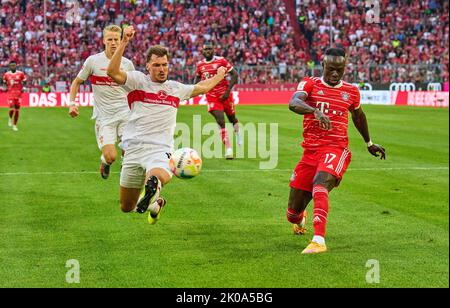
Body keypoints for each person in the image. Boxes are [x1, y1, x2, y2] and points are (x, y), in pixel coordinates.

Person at [107, 26, 227, 224]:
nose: (161, 69)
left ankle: (154, 186)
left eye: (164, 65)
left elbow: (202, 87)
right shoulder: (137, 81)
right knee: (126, 207)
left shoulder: (175, 88)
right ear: (147, 66)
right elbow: (112, 71)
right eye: (156, 65)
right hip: (133, 148)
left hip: (160, 148)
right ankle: (154, 204)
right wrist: (124, 42)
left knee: (157, 174)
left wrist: (220, 75)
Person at [287, 48, 386, 254]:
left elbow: (359, 116)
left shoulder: (351, 91)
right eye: (331, 69)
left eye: (339, 70)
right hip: (310, 153)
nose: (334, 73)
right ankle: (300, 217)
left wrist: (369, 143)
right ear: (323, 66)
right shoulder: (310, 83)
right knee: (292, 213)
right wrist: (314, 110)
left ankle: (319, 240)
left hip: (336, 149)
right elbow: (294, 103)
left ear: (344, 68)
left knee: (320, 183)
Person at [68, 25, 135, 179]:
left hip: (126, 114)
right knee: (111, 156)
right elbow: (77, 82)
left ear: (121, 41)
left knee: (130, 150)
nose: (113, 43)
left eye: (116, 39)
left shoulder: (127, 64)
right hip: (105, 117)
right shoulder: (93, 61)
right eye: (110, 39)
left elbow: (134, 89)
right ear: (104, 40)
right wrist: (72, 104)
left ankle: (128, 177)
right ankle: (105, 162)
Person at [194, 43, 241, 160]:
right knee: (220, 120)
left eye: (210, 49)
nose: (208, 51)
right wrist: (197, 89)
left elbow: (235, 74)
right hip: (211, 96)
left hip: (225, 94)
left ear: (213, 50)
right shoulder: (200, 65)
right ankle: (229, 149)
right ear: (202, 52)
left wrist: (227, 91)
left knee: (232, 118)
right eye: (205, 49)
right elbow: (197, 80)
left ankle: (238, 134)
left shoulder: (221, 61)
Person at [2, 61, 27, 131]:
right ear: (9, 66)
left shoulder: (20, 73)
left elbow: (25, 81)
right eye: (11, 65)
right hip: (10, 94)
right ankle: (10, 118)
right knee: (12, 108)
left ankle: (15, 125)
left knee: (17, 110)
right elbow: (4, 82)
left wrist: (24, 87)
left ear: (16, 66)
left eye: (14, 65)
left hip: (19, 94)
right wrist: (5, 87)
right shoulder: (6, 74)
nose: (13, 66)